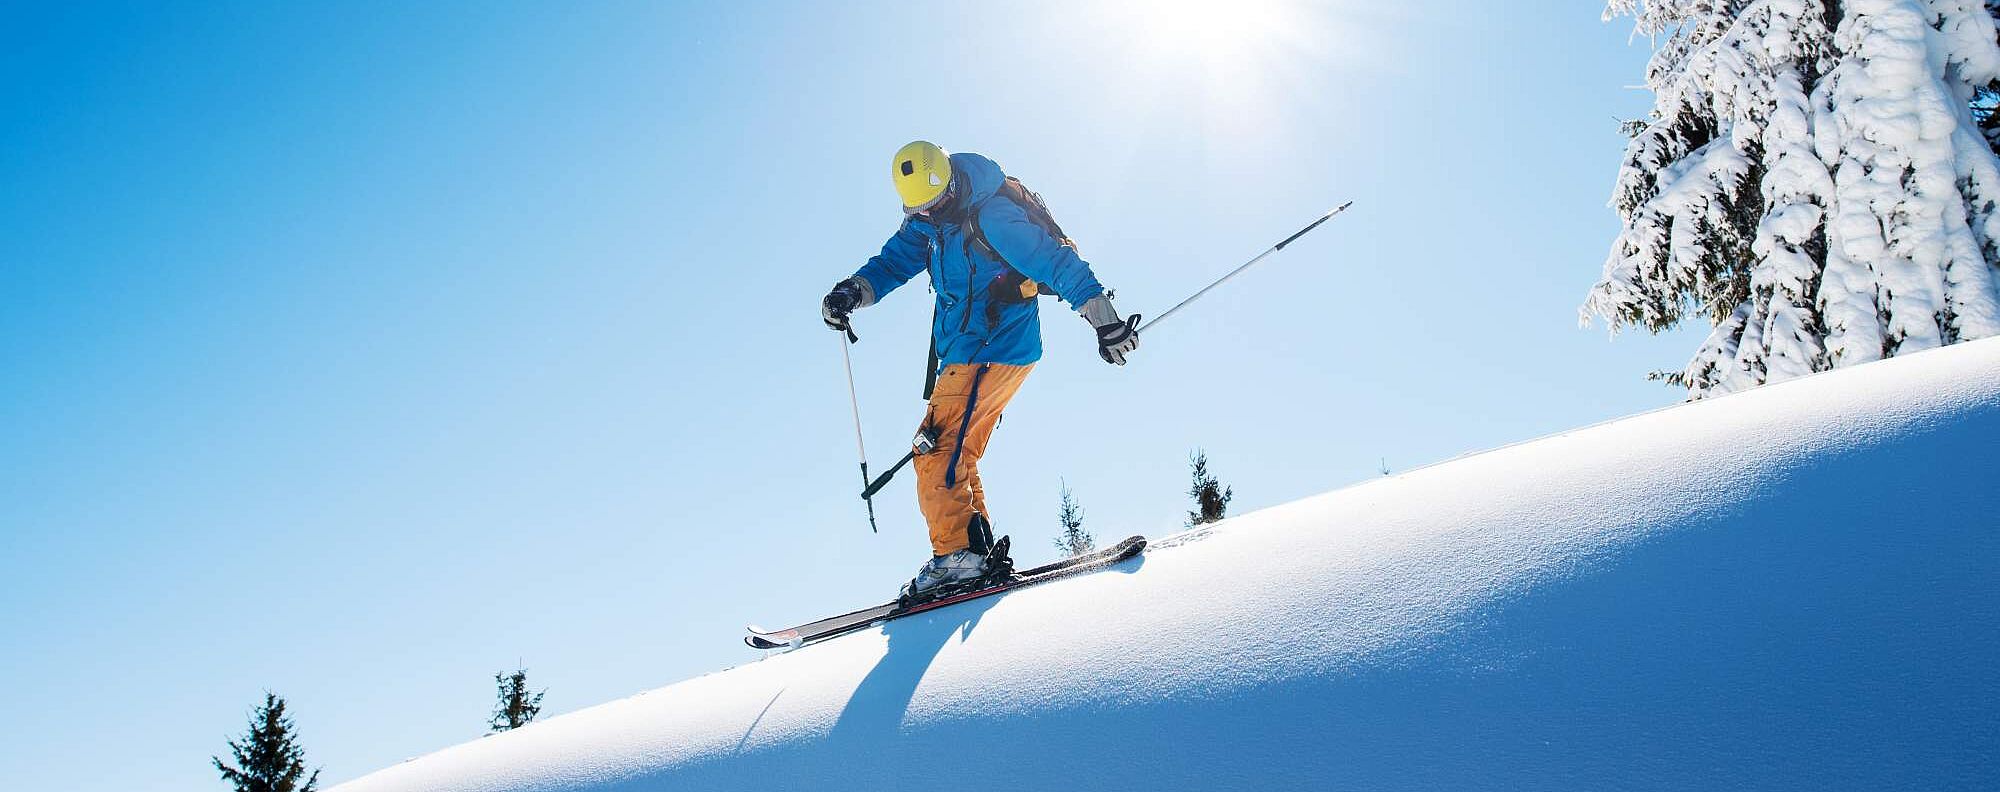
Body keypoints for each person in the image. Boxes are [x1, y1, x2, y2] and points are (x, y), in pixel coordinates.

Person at [820, 141, 1139, 600]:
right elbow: (891, 263)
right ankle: (975, 550)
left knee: (933, 448)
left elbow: (1056, 262)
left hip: (991, 348)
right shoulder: (928, 226)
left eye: (937, 203)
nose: (931, 213)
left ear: (950, 183)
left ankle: (956, 558)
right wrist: (852, 291)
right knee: (958, 451)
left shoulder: (991, 217)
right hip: (973, 352)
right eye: (920, 209)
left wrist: (1105, 322)